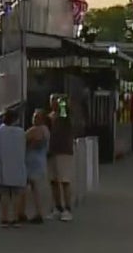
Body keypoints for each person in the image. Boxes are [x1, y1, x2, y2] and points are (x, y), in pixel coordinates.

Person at [0, 108, 28, 228]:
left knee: (4, 194)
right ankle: (15, 218)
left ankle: (4, 218)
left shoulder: (0, 131)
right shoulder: (21, 132)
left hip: (3, 167)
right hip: (18, 166)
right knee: (16, 194)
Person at [47, 94, 75, 222]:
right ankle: (57, 207)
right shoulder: (50, 117)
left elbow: (66, 110)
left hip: (63, 151)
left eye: (55, 101)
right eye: (51, 100)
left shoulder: (64, 116)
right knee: (53, 181)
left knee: (64, 181)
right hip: (52, 151)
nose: (53, 103)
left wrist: (62, 103)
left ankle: (67, 208)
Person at [22, 109, 50, 224]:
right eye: (33, 116)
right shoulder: (46, 130)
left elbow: (24, 139)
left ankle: (23, 212)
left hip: (31, 162)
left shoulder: (36, 130)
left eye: (36, 116)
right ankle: (38, 212)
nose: (34, 118)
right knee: (35, 189)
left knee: (24, 188)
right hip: (40, 161)